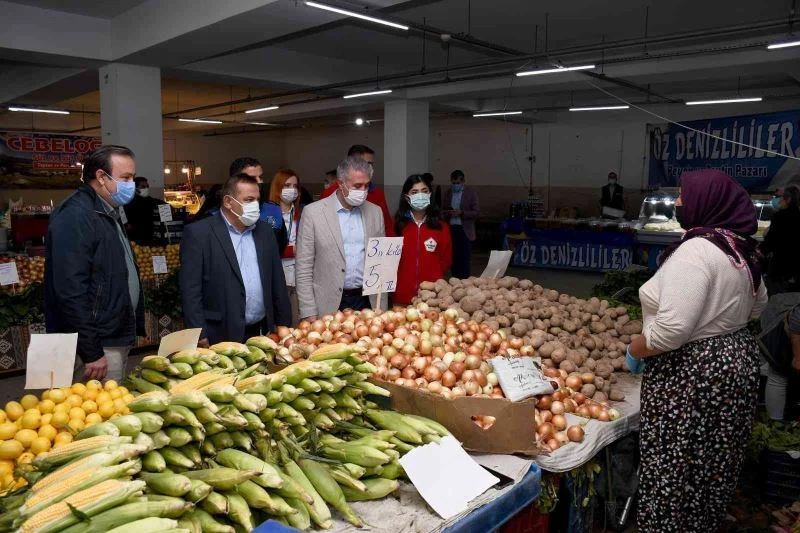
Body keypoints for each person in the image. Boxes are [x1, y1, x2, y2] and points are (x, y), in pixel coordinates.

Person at [626, 170, 768, 533]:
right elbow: (757, 306)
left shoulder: (697, 250)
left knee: (675, 463)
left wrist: (636, 347)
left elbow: (672, 330)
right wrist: (721, 321)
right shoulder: (737, 247)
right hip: (733, 359)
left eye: (683, 197)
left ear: (706, 202)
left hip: (692, 372)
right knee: (711, 461)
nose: (676, 203)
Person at [45, 145, 144, 382]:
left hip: (112, 333)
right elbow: (70, 290)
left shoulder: (109, 210)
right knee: (91, 412)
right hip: (96, 343)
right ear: (101, 176)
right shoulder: (76, 215)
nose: (132, 184)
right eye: (126, 178)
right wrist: (91, 350)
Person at [179, 173, 291, 346]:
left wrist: (284, 323)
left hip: (261, 330)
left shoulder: (265, 232)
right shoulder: (199, 234)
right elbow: (191, 289)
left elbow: (277, 280)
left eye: (257, 200)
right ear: (228, 202)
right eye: (248, 200)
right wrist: (199, 333)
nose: (255, 205)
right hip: (218, 332)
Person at [296, 156, 386, 320]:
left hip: (366, 301)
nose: (363, 191)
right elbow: (303, 267)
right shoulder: (313, 213)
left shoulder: (375, 212)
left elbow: (381, 262)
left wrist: (381, 307)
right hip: (328, 304)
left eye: (366, 186)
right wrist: (308, 311)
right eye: (357, 186)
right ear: (340, 183)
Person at [393, 175, 452, 305]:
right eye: (414, 192)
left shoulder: (441, 227)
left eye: (424, 191)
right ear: (406, 197)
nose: (420, 195)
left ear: (430, 194)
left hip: (432, 298)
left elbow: (446, 259)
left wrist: (433, 280)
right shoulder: (397, 225)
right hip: (402, 295)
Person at [319, 145, 394, 236]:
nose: (369, 168)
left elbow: (387, 226)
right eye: (365, 163)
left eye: (371, 164)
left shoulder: (378, 194)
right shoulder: (329, 193)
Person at [229, 157, 288, 252]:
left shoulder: (273, 210)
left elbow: (279, 247)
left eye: (260, 177)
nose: (259, 182)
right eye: (251, 178)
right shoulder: (220, 214)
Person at [269, 168, 303, 325]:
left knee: (297, 320)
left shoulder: (302, 212)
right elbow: (267, 249)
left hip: (299, 275)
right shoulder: (268, 214)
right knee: (280, 322)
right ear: (277, 187)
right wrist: (292, 250)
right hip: (277, 275)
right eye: (287, 185)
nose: (292, 190)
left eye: (295, 186)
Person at [758, 293, 800, 420]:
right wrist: (798, 358)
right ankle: (775, 424)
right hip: (780, 322)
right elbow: (796, 319)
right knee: (778, 375)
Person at [760, 184, 800, 295]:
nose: (779, 200)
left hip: (781, 265)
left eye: (782, 198)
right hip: (796, 267)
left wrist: (761, 250)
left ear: (788, 199)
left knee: (778, 297)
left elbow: (771, 240)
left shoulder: (780, 216)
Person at [443, 170, 479, 279]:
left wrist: (462, 212)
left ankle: (465, 281)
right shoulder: (448, 193)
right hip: (451, 229)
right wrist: (448, 212)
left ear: (463, 181)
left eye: (457, 183)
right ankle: (455, 280)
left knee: (464, 258)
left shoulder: (471, 193)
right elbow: (443, 209)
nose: (455, 185)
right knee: (453, 257)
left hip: (465, 230)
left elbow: (476, 212)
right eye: (453, 183)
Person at [124, 176, 166, 243]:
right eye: (143, 187)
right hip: (135, 238)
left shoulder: (149, 200)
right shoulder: (128, 202)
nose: (146, 188)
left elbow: (158, 202)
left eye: (147, 186)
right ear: (135, 188)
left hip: (150, 236)